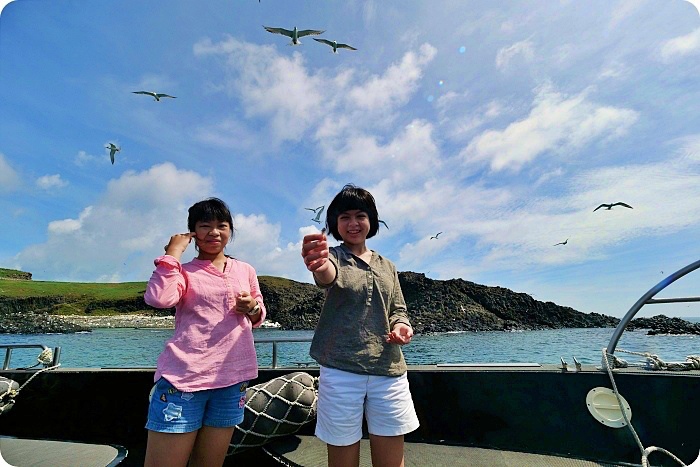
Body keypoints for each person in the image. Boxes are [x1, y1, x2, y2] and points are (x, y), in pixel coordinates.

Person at [300, 184, 419, 467]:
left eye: (360, 215)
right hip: (341, 371)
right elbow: (327, 276)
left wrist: (402, 326)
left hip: (388, 370)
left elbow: (398, 309)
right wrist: (317, 263)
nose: (353, 223)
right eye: (344, 217)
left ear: (371, 220)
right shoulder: (333, 257)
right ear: (335, 224)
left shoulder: (388, 265)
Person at [143, 197, 266, 467]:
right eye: (205, 225)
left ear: (230, 231)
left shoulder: (245, 270)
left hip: (232, 381)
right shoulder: (182, 271)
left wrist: (252, 308)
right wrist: (172, 254)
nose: (214, 232)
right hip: (183, 380)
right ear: (193, 233)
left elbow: (259, 315)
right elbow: (159, 298)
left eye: (222, 225)